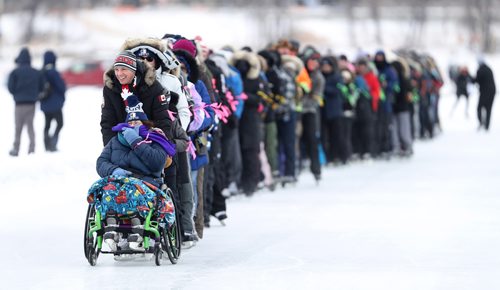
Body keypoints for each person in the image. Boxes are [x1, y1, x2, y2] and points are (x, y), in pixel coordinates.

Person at [94, 94, 176, 251]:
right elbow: (101, 162)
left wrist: (136, 142)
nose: (132, 125)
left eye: (136, 122)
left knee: (133, 190)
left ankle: (137, 227)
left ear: (144, 122)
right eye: (129, 123)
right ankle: (111, 225)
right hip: (119, 180)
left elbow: (157, 163)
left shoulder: (154, 138)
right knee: (106, 189)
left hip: (147, 182)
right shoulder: (116, 140)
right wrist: (114, 170)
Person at [101, 50, 173, 146]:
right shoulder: (110, 88)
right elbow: (108, 122)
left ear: (134, 70)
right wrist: (110, 148)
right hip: (120, 142)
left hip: (149, 141)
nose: (119, 74)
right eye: (116, 69)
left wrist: (159, 148)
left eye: (123, 69)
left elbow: (163, 121)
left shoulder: (153, 87)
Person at [7, 47, 44, 156]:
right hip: (31, 104)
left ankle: (16, 149)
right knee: (30, 126)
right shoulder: (36, 72)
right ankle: (32, 149)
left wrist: (16, 94)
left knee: (18, 127)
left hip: (19, 104)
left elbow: (10, 87)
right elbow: (41, 87)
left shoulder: (15, 72)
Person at [40, 50, 66, 152]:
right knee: (60, 123)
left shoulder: (41, 71)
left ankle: (46, 145)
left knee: (47, 124)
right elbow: (61, 87)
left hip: (45, 103)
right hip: (55, 104)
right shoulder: (54, 72)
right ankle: (53, 144)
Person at [473, 59, 496, 131]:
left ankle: (481, 123)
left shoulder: (480, 70)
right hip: (492, 91)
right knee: (488, 109)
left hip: (484, 92)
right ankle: (487, 126)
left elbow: (476, 80)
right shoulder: (489, 69)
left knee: (479, 107)